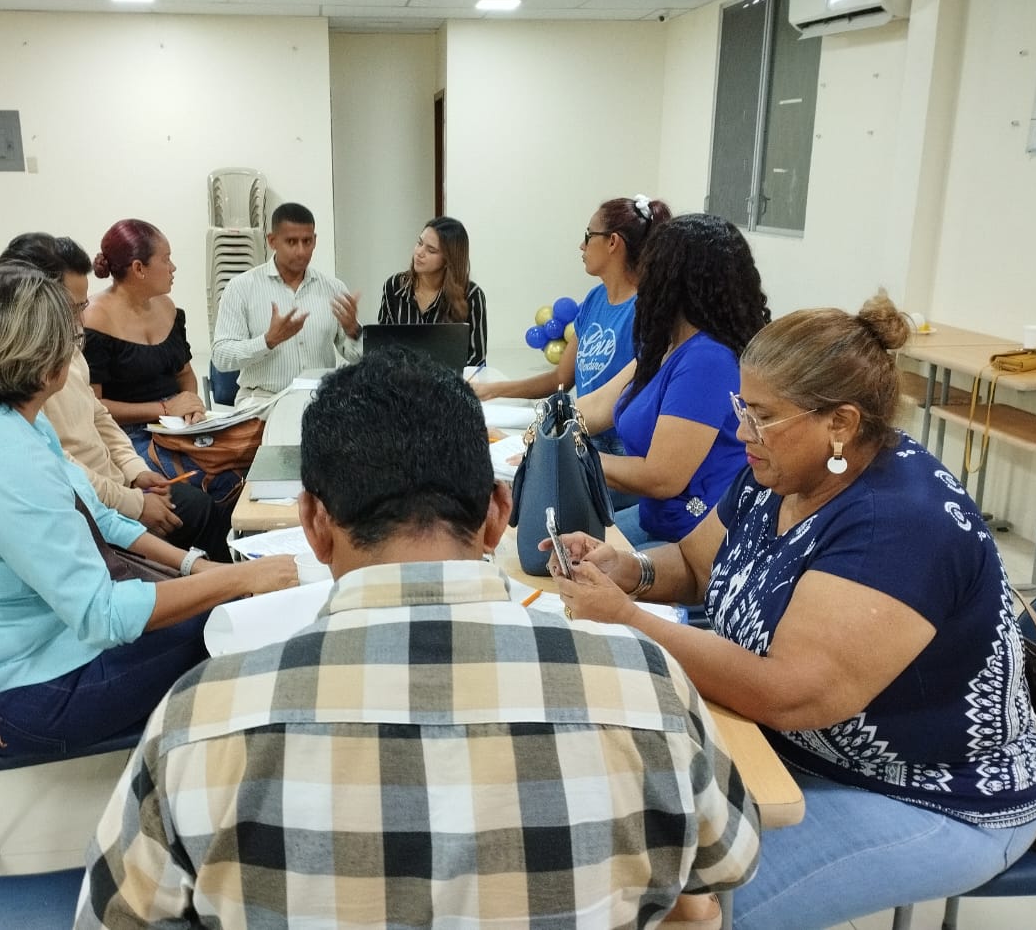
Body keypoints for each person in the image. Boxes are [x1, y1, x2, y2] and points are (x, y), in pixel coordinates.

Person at [75, 346, 760, 928]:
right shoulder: (647, 690)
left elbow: (116, 913)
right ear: (497, 515)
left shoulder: (198, 722)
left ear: (314, 525)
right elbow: (725, 865)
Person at [550, 295, 1036, 929]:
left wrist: (627, 618)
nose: (741, 433)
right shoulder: (781, 471)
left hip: (932, 794)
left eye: (760, 416)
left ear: (840, 422)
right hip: (793, 750)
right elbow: (698, 565)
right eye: (742, 408)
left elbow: (789, 693)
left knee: (681, 909)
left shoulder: (899, 525)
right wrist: (631, 571)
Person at [0, 267, 297, 758]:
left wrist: (198, 567)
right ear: (45, 365)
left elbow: (95, 514)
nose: (78, 350)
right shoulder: (5, 462)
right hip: (11, 698)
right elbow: (103, 615)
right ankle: (222, 774)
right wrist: (238, 580)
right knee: (235, 625)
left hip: (28, 650)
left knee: (224, 602)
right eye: (72, 338)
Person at [0, 233, 235, 561]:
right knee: (201, 521)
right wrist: (135, 506)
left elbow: (97, 414)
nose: (80, 323)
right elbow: (57, 472)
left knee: (210, 511)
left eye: (82, 307)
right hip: (57, 509)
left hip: (97, 494)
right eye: (70, 309)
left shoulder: (53, 339)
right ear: (28, 300)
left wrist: (134, 472)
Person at [577, 213, 770, 546]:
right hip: (656, 518)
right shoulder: (666, 344)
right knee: (565, 545)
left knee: (571, 562)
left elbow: (661, 477)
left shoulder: (708, 360)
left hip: (691, 536)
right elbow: (595, 408)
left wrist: (573, 456)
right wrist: (543, 432)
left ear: (670, 277)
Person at [473, 195, 671, 459]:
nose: (582, 245)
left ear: (613, 242)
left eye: (589, 236)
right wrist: (492, 390)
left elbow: (625, 401)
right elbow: (560, 378)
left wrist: (546, 442)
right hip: (584, 433)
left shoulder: (648, 308)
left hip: (622, 447)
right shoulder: (594, 299)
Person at [211, 202, 361, 409]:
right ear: (272, 241)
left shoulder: (334, 289)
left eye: (307, 241)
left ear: (315, 240)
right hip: (262, 401)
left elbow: (357, 358)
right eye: (291, 242)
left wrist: (353, 331)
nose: (301, 251)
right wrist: (267, 341)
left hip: (319, 400)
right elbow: (221, 357)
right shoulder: (241, 288)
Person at [81, 219, 207, 455]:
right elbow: (94, 405)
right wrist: (164, 409)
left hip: (175, 425)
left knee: (239, 460)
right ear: (139, 268)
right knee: (197, 474)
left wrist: (190, 405)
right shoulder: (94, 318)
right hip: (125, 435)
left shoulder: (167, 307)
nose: (173, 268)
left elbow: (185, 374)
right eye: (166, 259)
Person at [376, 216, 487, 366]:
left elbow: (476, 359)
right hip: (402, 377)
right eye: (419, 243)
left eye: (431, 250)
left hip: (451, 379)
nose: (419, 252)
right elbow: (382, 347)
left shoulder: (472, 295)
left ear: (448, 260)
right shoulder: (394, 286)